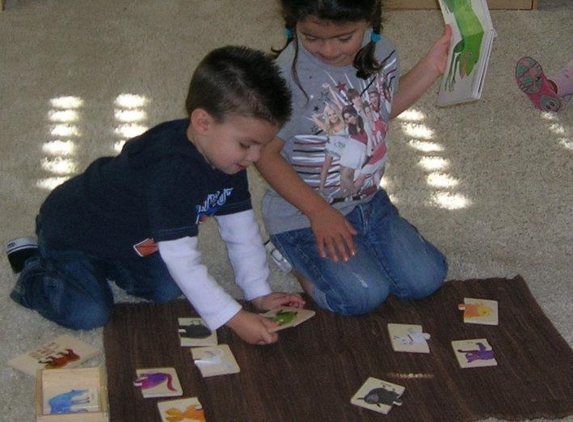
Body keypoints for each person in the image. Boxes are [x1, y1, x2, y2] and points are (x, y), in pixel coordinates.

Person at [7, 45, 305, 346]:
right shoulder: (171, 173)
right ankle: (32, 264)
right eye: (246, 145)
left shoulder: (228, 158)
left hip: (131, 242)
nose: (254, 157)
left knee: (168, 288)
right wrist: (235, 318)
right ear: (203, 122)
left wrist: (258, 291)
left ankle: (107, 267)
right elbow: (182, 258)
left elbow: (241, 229)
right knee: (89, 312)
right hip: (73, 233)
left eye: (259, 147)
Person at [256, 0, 451, 317]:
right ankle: (287, 253)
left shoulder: (382, 51)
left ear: (370, 20)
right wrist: (318, 212)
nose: (329, 51)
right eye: (311, 37)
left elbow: (381, 111)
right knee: (361, 296)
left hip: (368, 202)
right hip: (303, 214)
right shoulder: (287, 80)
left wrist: (431, 66)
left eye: (344, 38)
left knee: (427, 278)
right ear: (293, 24)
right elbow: (265, 153)